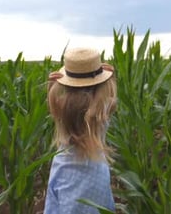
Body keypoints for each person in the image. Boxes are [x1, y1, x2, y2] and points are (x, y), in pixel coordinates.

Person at [44, 47, 117, 214]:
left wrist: (51, 87)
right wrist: (110, 78)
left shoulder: (62, 109)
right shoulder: (99, 114)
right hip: (95, 180)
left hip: (66, 179)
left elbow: (53, 103)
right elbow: (111, 99)